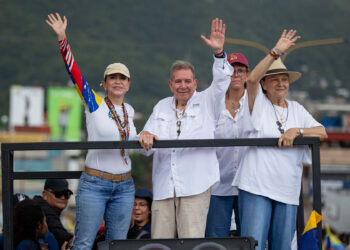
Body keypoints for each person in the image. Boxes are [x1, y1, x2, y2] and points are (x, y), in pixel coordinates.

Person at [46, 13, 136, 249]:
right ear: (104, 84)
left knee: (117, 245)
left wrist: (147, 136)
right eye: (112, 78)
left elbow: (133, 141)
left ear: (128, 84)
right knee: (84, 244)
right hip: (95, 183)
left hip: (125, 186)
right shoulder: (94, 102)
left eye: (122, 78)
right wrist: (62, 38)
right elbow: (74, 72)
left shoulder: (129, 109)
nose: (118, 81)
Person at [232, 30, 328, 249]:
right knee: (253, 244)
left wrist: (297, 131)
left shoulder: (297, 108)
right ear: (265, 85)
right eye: (274, 80)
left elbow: (322, 132)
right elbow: (252, 79)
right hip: (256, 186)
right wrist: (275, 52)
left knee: (282, 246)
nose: (281, 84)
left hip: (287, 189)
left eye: (284, 80)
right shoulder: (257, 103)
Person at [138, 18, 233, 238]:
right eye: (178, 81)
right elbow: (146, 145)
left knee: (190, 243)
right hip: (163, 187)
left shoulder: (209, 101)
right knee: (160, 244)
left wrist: (219, 53)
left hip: (195, 186)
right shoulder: (161, 106)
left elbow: (221, 82)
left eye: (187, 81)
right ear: (170, 84)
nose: (183, 86)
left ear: (195, 83)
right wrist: (143, 134)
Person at [205, 53, 249, 238]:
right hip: (217, 186)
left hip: (249, 187)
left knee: (250, 241)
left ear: (248, 74)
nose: (236, 74)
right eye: (231, 71)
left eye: (240, 70)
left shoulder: (257, 103)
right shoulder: (212, 105)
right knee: (215, 243)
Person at [33, 179, 74, 248]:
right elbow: (53, 223)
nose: (63, 197)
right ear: (45, 195)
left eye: (66, 194)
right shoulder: (41, 208)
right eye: (58, 194)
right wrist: (69, 238)